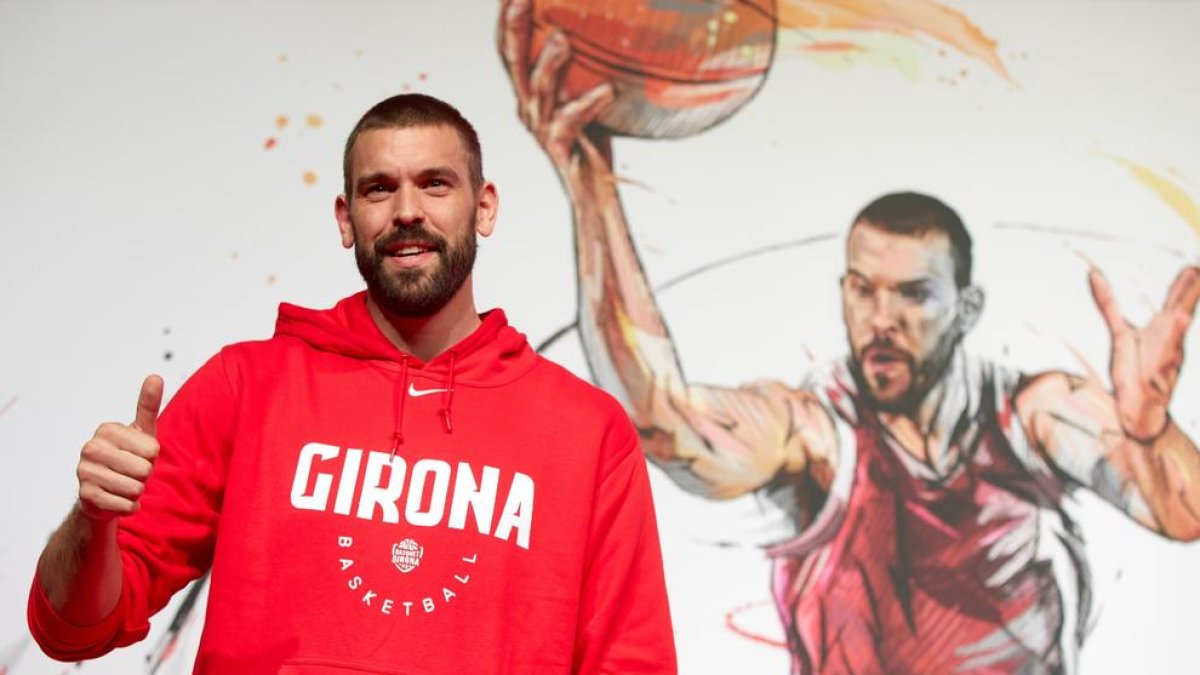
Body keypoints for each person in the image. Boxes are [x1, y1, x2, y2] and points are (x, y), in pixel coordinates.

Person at [498, 4, 1200, 673]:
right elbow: (663, 419)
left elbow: (1184, 511)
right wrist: (591, 182)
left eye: (912, 294)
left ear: (967, 307)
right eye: (862, 289)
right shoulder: (819, 435)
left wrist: (1150, 431)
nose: (880, 318)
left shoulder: (1032, 416)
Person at [28, 93, 677, 674]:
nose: (406, 211)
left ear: (483, 208)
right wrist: (94, 522)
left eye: (435, 184)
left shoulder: (585, 430)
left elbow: (632, 661)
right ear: (346, 219)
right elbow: (70, 629)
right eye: (378, 189)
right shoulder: (248, 385)